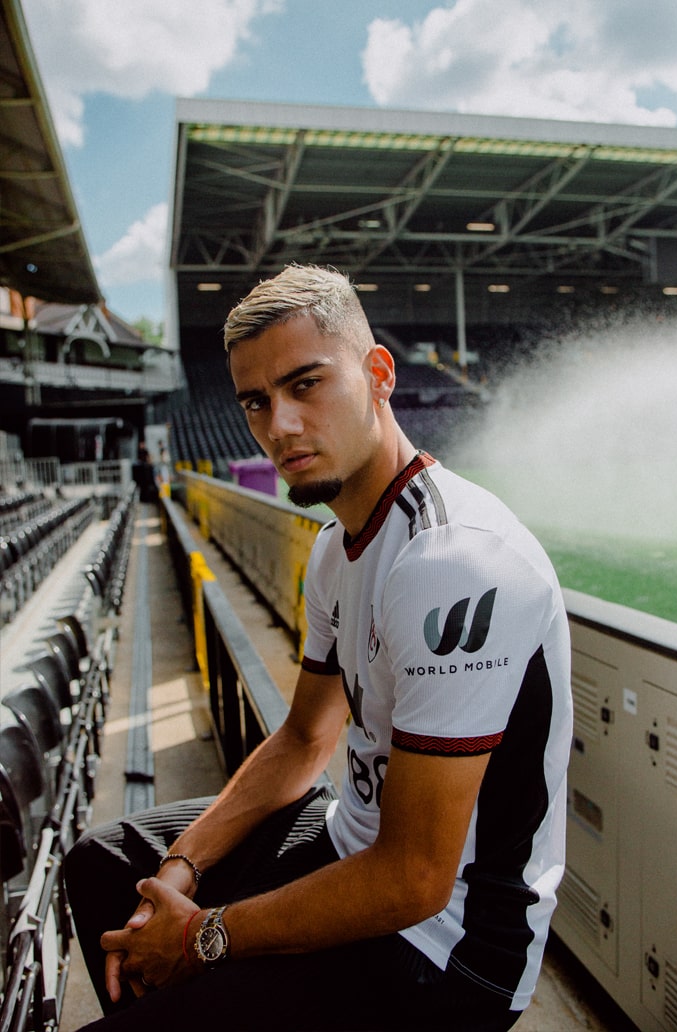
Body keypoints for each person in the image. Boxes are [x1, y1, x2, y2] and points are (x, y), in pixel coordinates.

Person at [65, 264, 572, 1031]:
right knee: (105, 864)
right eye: (256, 401)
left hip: (448, 944)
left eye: (306, 385)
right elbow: (305, 738)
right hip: (348, 840)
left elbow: (415, 879)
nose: (280, 425)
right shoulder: (337, 548)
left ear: (379, 374)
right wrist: (180, 868)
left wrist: (201, 936)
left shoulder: (454, 560)